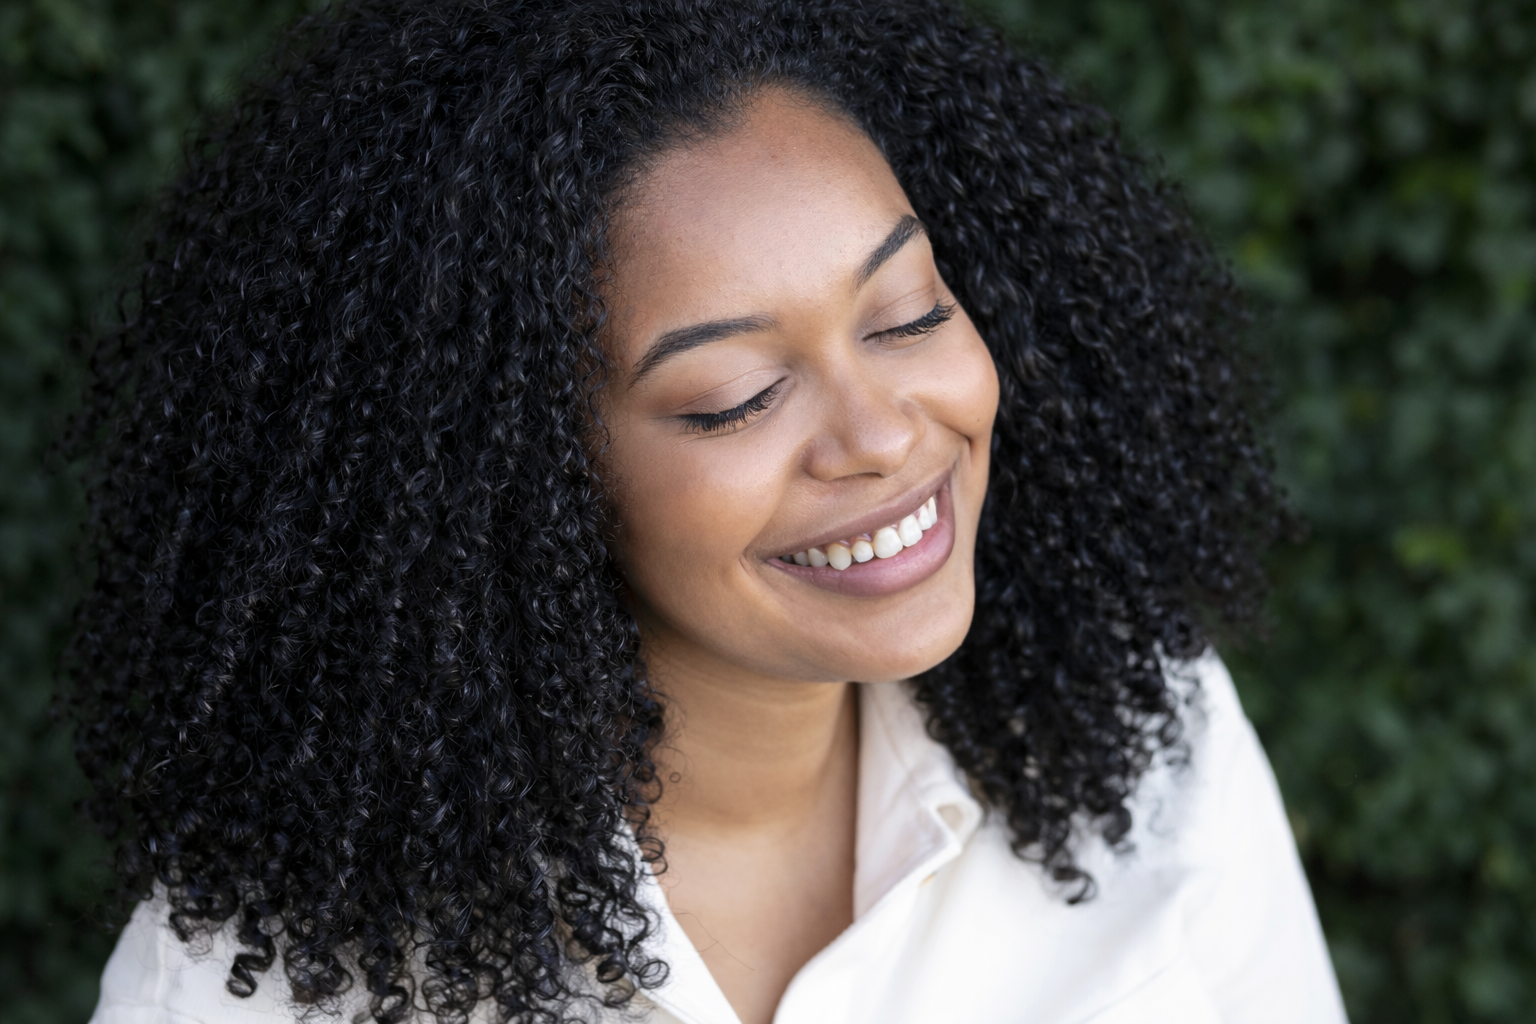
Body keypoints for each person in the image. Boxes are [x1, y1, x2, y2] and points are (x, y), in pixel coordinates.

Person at [73, 1, 1348, 1021]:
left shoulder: (1151, 737)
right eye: (737, 397)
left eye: (909, 316)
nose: (886, 434)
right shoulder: (254, 983)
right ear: (513, 472)